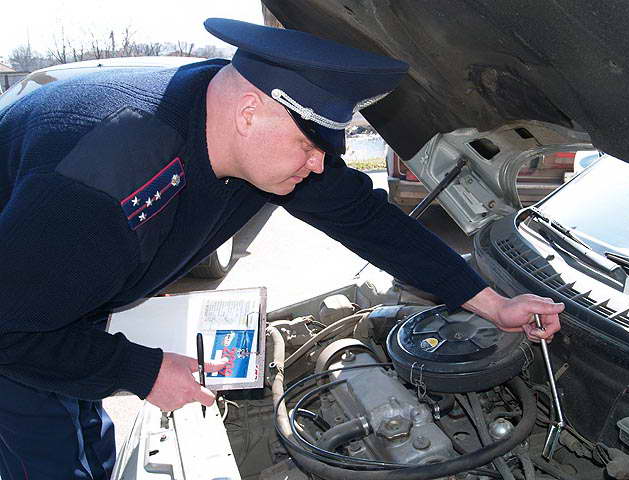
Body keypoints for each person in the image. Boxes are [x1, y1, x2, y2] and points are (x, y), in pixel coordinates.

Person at [0, 18, 563, 480]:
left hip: (48, 289)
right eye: (309, 145)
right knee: (43, 452)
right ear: (249, 116)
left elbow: (368, 218)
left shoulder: (247, 134)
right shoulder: (108, 181)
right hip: (16, 312)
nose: (319, 164)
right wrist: (141, 369)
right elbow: (13, 329)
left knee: (84, 419)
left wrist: (490, 302)